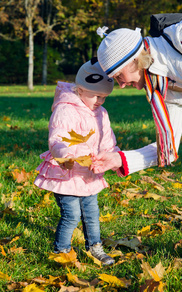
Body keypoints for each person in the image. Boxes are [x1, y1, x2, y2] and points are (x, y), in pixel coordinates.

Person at [91, 15, 182, 261]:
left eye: (119, 76)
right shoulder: (160, 88)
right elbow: (168, 147)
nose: (120, 85)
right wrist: (118, 160)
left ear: (135, 61)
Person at [34, 57, 121, 265]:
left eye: (104, 97)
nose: (100, 101)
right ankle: (62, 251)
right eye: (96, 95)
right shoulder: (65, 109)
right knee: (71, 214)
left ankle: (95, 247)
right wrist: (65, 155)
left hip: (89, 174)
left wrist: (111, 156)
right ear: (81, 88)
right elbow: (58, 138)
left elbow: (107, 139)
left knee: (91, 213)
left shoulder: (101, 113)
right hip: (67, 173)